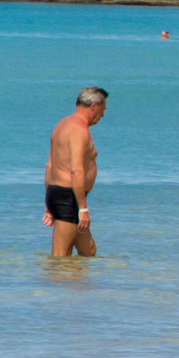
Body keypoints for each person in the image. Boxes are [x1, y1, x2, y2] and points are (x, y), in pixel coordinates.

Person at [43, 87, 107, 258]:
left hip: (59, 194)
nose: (102, 116)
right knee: (60, 258)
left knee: (89, 251)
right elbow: (76, 170)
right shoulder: (79, 130)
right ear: (94, 106)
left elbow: (50, 166)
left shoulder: (62, 124)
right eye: (102, 110)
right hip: (68, 197)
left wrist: (49, 204)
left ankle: (78, 283)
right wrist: (83, 209)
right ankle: (52, 284)